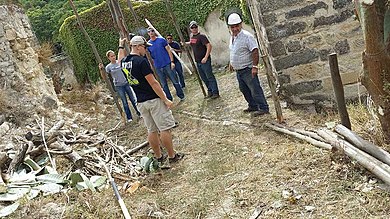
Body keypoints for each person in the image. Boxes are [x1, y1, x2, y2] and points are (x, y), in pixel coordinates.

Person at [117, 35, 183, 163]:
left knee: (151, 130)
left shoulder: (125, 62)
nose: (145, 50)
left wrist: (120, 45)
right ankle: (172, 156)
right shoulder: (141, 62)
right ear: (137, 46)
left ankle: (158, 157)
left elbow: (119, 60)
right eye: (143, 47)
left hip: (140, 102)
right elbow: (153, 83)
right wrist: (165, 99)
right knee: (164, 129)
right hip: (153, 100)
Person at [227, 13, 269, 116]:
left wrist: (255, 67)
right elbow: (233, 51)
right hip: (239, 70)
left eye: (237, 26)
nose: (235, 28)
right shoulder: (232, 37)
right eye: (232, 27)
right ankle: (253, 106)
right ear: (229, 27)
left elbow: (254, 51)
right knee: (244, 89)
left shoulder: (247, 36)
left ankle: (263, 107)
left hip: (248, 69)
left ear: (241, 24)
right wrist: (231, 63)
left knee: (255, 89)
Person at [99, 50, 141, 122]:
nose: (113, 57)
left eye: (114, 55)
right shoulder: (109, 67)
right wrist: (101, 70)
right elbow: (105, 77)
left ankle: (139, 113)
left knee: (133, 99)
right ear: (108, 58)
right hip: (118, 86)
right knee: (124, 102)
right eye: (111, 56)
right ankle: (129, 117)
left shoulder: (119, 62)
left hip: (126, 83)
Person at [147, 27, 185, 101]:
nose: (151, 33)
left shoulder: (162, 40)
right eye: (149, 32)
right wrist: (152, 66)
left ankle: (181, 95)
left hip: (167, 64)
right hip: (158, 67)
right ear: (148, 33)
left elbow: (169, 50)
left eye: (152, 31)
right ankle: (169, 99)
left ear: (154, 32)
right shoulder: (148, 44)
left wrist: (172, 62)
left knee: (175, 81)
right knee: (164, 85)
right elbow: (149, 57)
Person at [187, 21, 220, 99]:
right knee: (204, 78)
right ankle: (210, 91)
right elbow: (192, 43)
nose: (194, 29)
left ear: (197, 27)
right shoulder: (192, 37)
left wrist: (205, 57)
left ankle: (215, 92)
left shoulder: (202, 36)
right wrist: (185, 43)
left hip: (204, 61)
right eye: (192, 27)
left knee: (209, 76)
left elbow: (209, 46)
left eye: (195, 27)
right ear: (190, 29)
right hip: (198, 61)